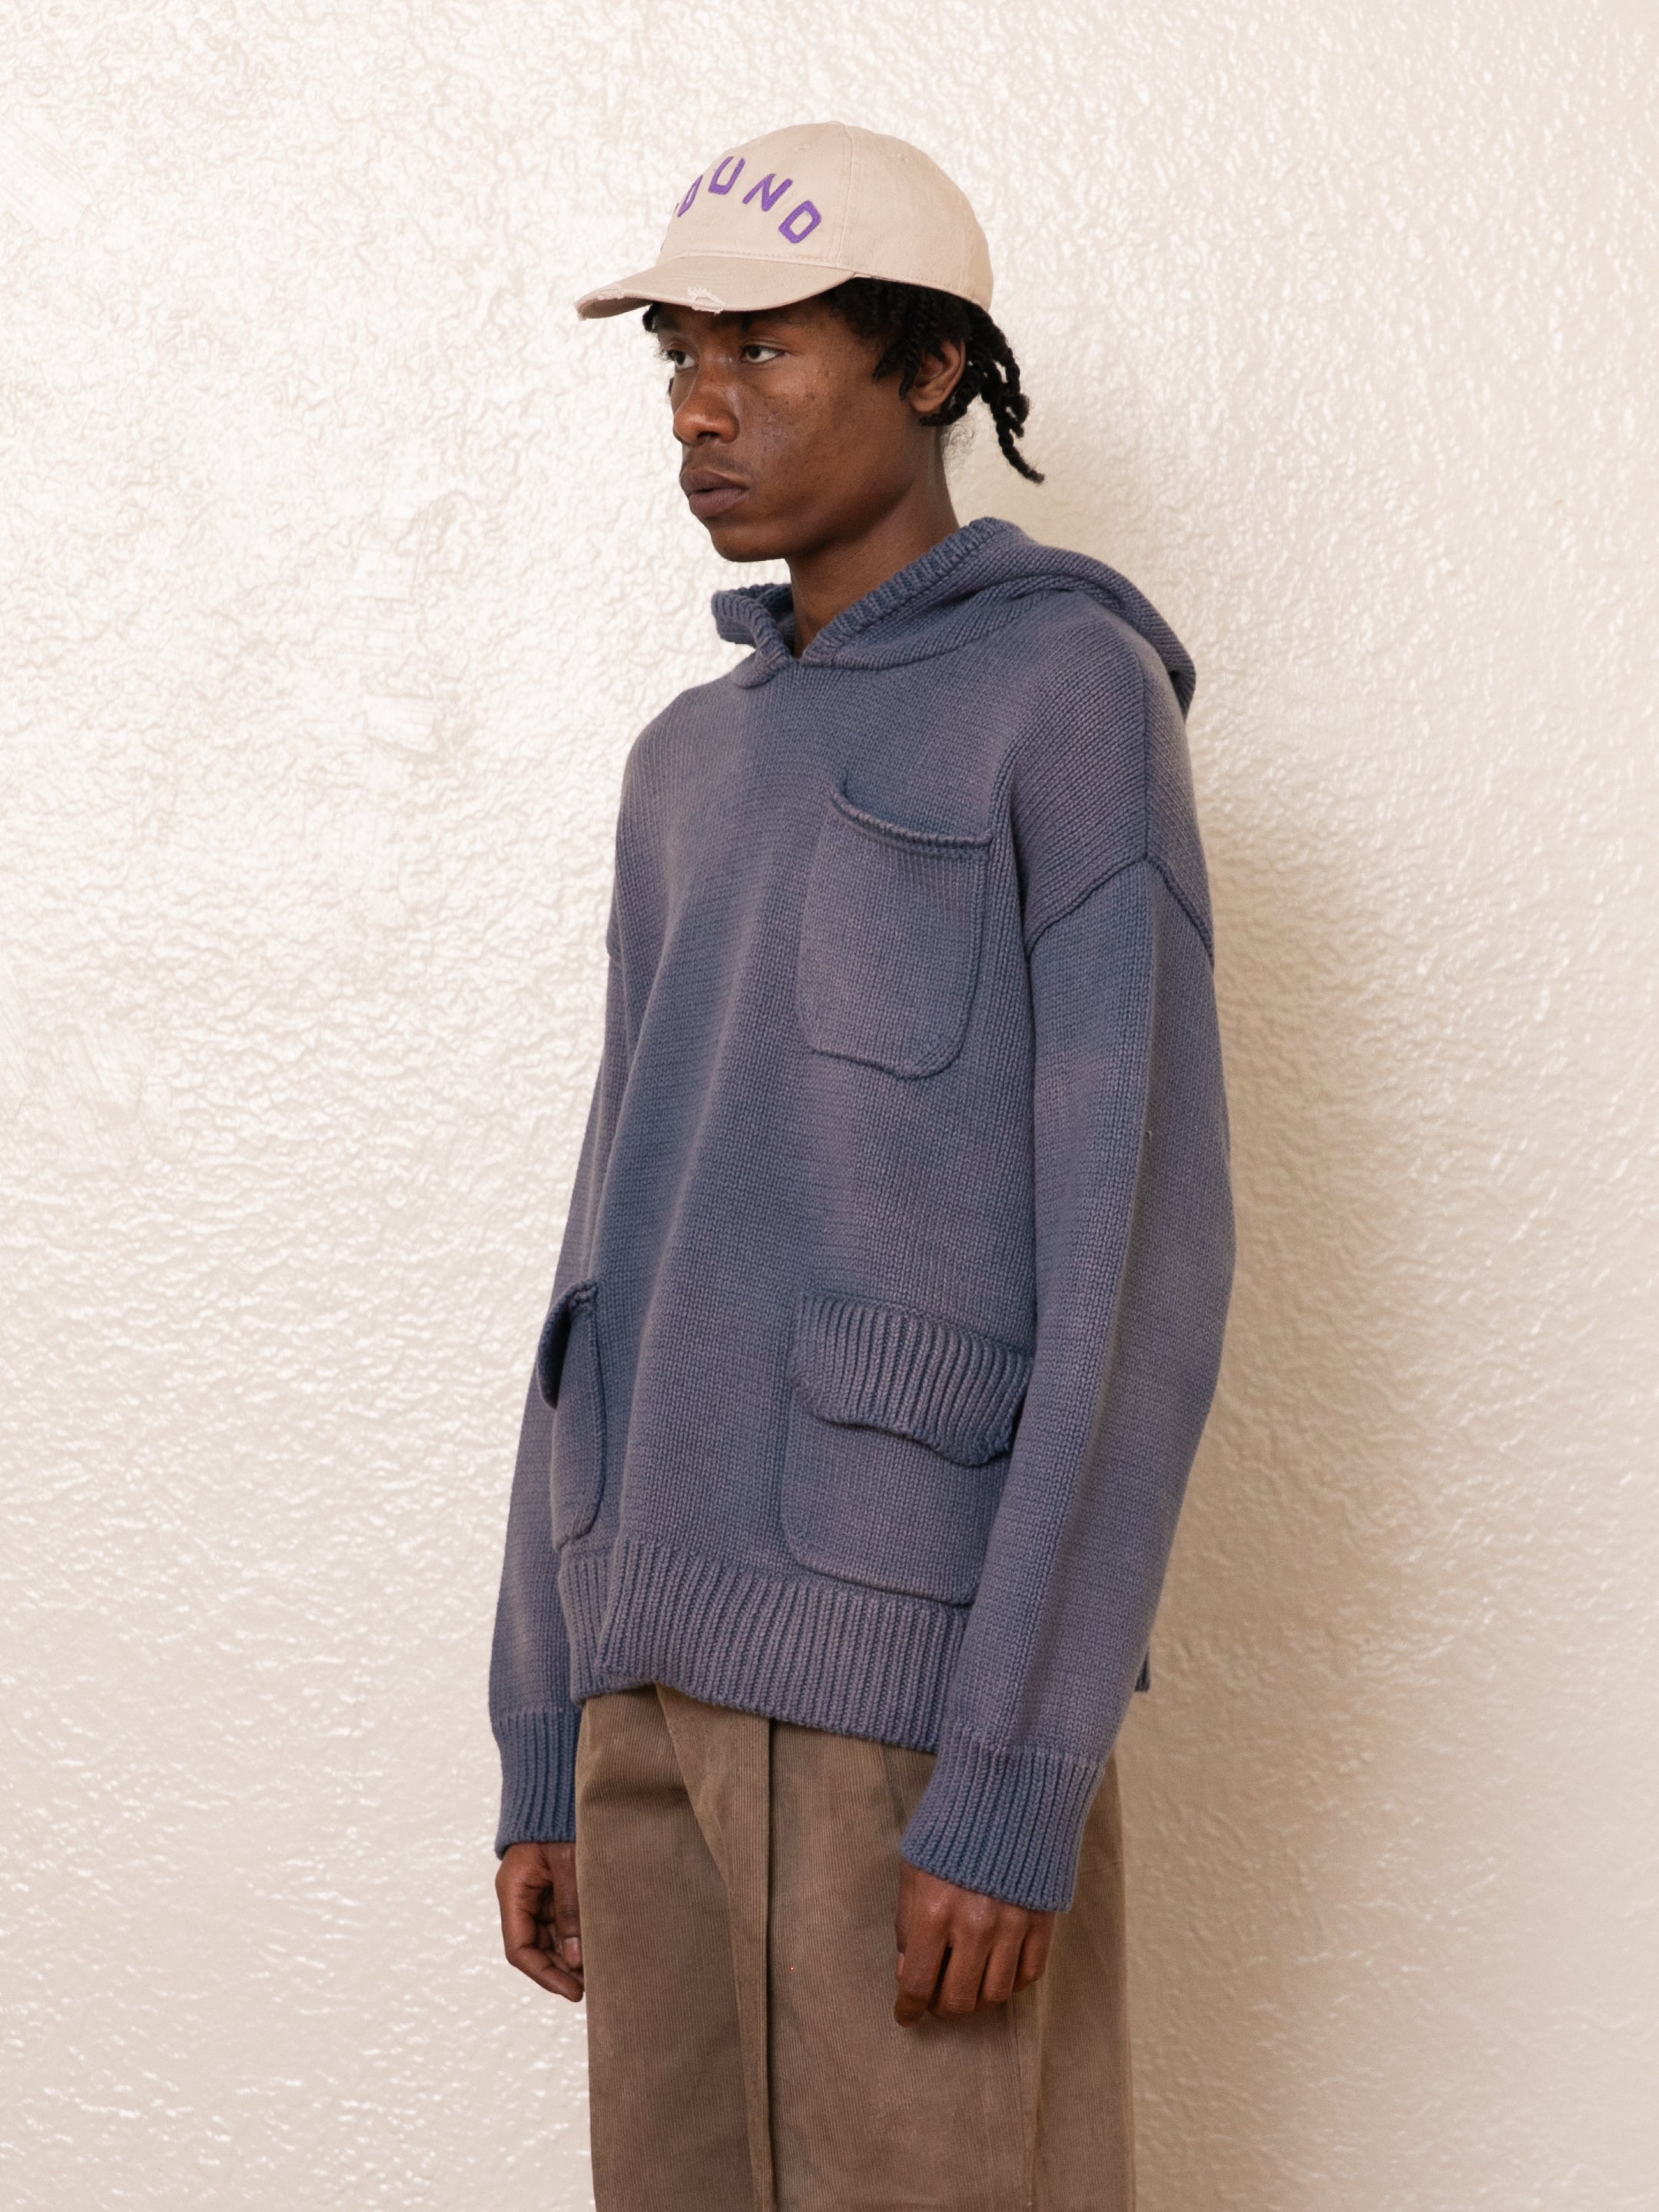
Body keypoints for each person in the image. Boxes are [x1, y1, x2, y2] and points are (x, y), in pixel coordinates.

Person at [489, 120, 1235, 2212]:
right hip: (644, 1683)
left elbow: (1144, 1268)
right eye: (678, 360)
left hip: (918, 1710)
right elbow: (597, 1261)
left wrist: (1011, 1774)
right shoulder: (686, 764)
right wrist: (544, 1724)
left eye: (766, 349)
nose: (705, 408)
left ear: (930, 372)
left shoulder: (1068, 705)